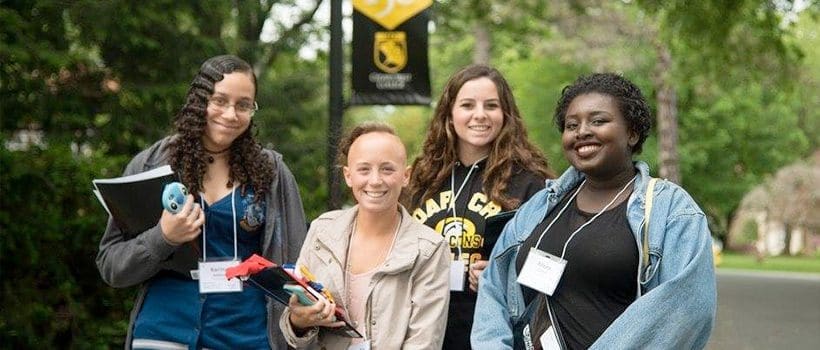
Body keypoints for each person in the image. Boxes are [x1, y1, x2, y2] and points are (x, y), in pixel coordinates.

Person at [471, 73, 716, 349]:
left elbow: (686, 311)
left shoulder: (671, 210)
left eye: (598, 121)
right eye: (571, 125)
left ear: (632, 133)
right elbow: (494, 290)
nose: (582, 131)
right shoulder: (540, 207)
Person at [96, 55, 308, 349]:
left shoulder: (271, 174)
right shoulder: (151, 164)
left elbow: (297, 265)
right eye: (219, 100)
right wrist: (164, 237)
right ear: (199, 101)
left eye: (243, 104)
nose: (231, 114)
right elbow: (111, 267)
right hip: (164, 332)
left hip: (245, 335)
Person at [404, 64, 553, 349]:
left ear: (505, 114)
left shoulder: (532, 181)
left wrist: (507, 275)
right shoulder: (423, 177)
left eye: (491, 105)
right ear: (449, 114)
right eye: (467, 105)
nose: (480, 115)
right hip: (423, 333)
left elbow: (554, 265)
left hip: (496, 335)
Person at [279, 122, 450, 349]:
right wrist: (298, 321)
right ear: (348, 176)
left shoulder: (430, 249)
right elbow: (293, 328)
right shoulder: (322, 231)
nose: (375, 180)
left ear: (406, 175)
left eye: (387, 169)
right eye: (364, 169)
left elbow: (424, 341)